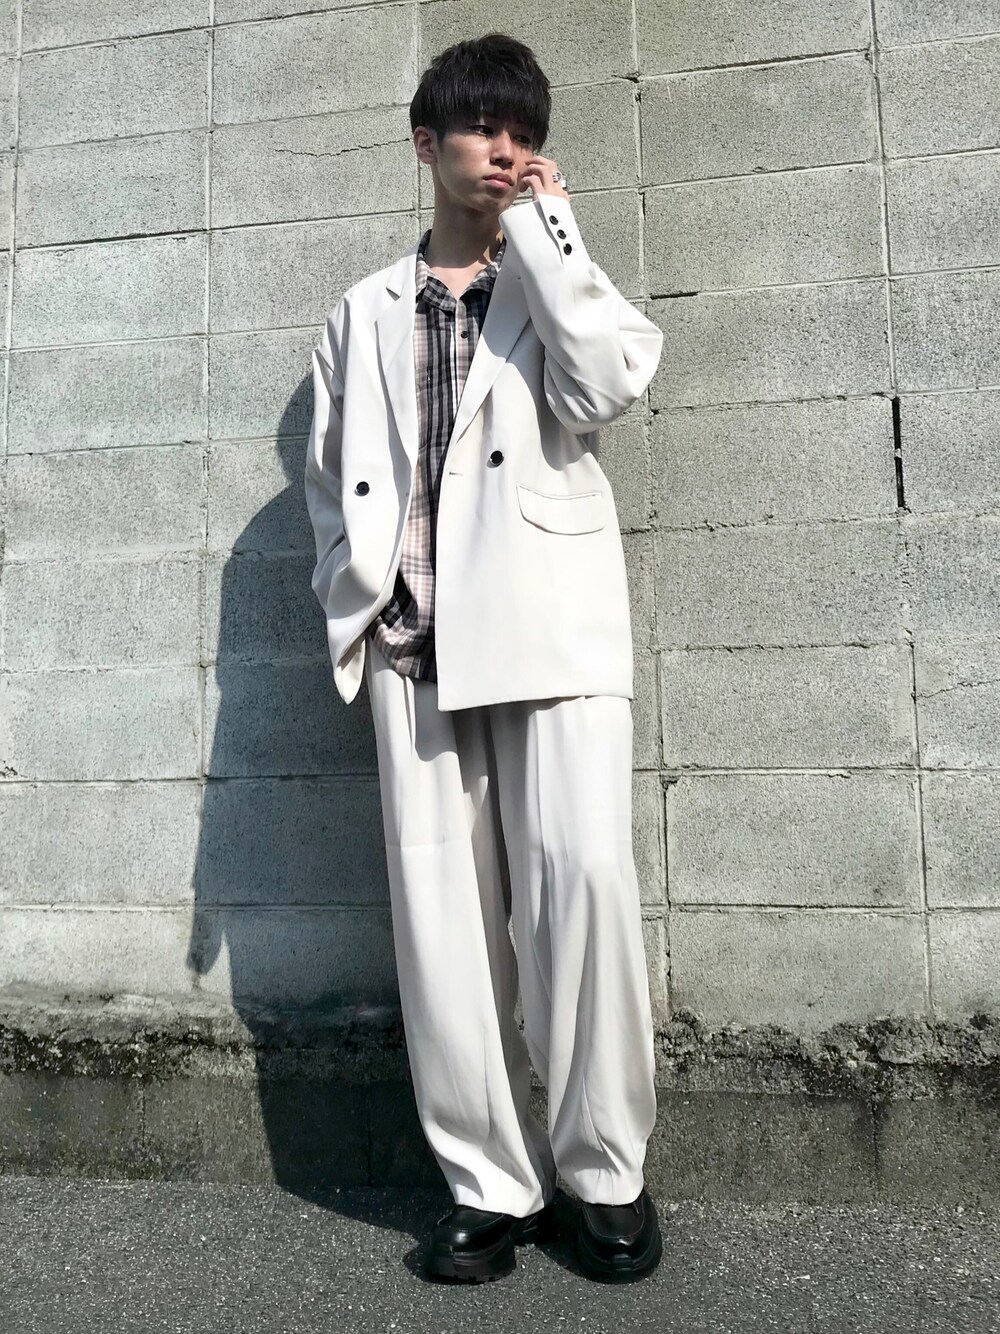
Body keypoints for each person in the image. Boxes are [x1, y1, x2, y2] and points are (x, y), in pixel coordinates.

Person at [304, 32, 664, 1284]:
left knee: (583, 888)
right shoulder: (361, 311)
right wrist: (352, 599)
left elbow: (608, 382)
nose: (506, 149)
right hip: (413, 649)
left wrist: (552, 239)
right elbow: (329, 479)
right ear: (427, 143)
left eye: (524, 131)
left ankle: (605, 1173)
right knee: (444, 933)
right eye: (481, 128)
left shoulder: (552, 274)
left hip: (550, 633)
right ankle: (489, 1185)